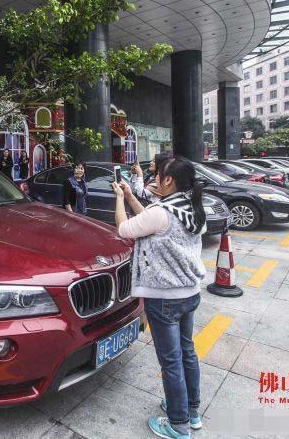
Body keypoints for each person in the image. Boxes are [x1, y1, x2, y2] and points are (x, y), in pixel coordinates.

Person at [111, 157, 207, 439]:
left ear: (168, 180)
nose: (154, 177)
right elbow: (150, 221)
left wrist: (119, 199)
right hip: (189, 293)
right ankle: (191, 410)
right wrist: (130, 195)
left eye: (158, 174)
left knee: (171, 360)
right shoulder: (191, 207)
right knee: (187, 353)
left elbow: (125, 229)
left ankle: (178, 424)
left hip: (164, 298)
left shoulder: (163, 211)